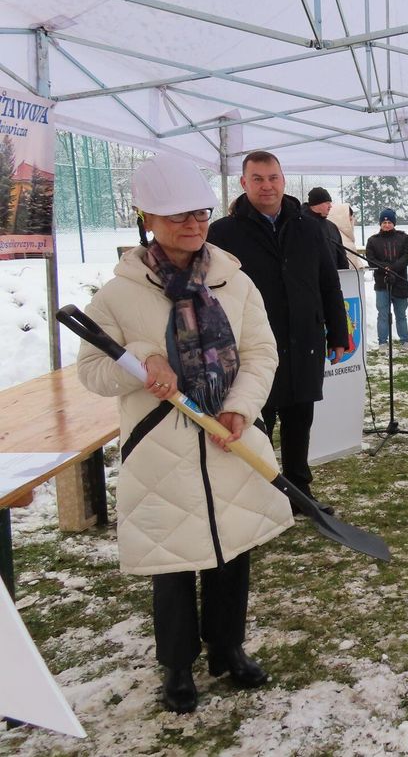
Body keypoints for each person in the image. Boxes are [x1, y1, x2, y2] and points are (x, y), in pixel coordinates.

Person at [77, 153, 293, 714]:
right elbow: (92, 371)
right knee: (172, 561)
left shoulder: (233, 280)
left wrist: (241, 409)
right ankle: (177, 666)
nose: (193, 225)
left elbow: (260, 354)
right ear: (147, 217)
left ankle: (227, 648)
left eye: (199, 213)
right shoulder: (120, 294)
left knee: (232, 548)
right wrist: (144, 360)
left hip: (227, 436)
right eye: (177, 217)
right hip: (161, 446)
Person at [207, 151, 349, 515]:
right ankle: (259, 493)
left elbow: (328, 282)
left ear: (284, 180)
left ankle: (299, 491)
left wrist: (338, 331)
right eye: (257, 178)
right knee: (258, 420)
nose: (266, 185)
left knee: (300, 417)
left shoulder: (309, 226)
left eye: (272, 177)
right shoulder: (222, 233)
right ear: (243, 183)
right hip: (253, 345)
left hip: (305, 338)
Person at [366, 208, 408, 349]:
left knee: (401, 314)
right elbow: (371, 259)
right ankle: (383, 342)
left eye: (389, 222)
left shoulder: (403, 237)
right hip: (382, 283)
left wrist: (394, 268)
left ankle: (405, 341)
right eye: (384, 222)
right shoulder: (373, 240)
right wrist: (385, 267)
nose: (386, 225)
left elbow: (407, 255)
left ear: (394, 223)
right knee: (383, 314)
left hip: (400, 282)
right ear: (380, 223)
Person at [302, 186, 349, 270]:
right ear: (316, 204)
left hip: (332, 278)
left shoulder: (332, 227)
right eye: (327, 203)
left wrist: (345, 273)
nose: (330, 206)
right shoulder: (300, 224)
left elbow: (341, 255)